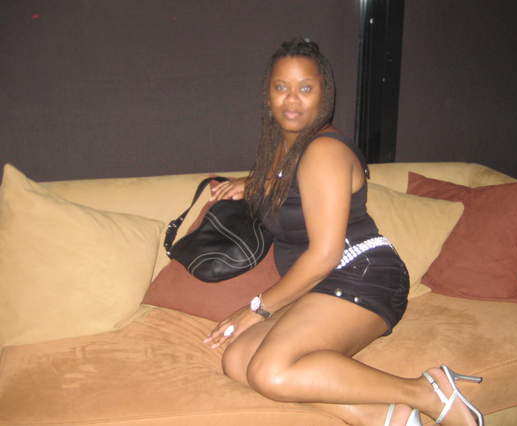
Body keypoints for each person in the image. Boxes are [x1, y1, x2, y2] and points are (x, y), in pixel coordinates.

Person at [203, 37, 484, 426]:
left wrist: (257, 308)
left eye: (305, 88)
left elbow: (325, 255)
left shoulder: (324, 151)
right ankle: (387, 416)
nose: (291, 99)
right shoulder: (284, 149)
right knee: (237, 361)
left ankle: (427, 391)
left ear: (324, 95)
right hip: (324, 285)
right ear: (267, 95)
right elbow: (292, 187)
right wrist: (253, 184)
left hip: (362, 275)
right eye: (281, 87)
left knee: (271, 371)